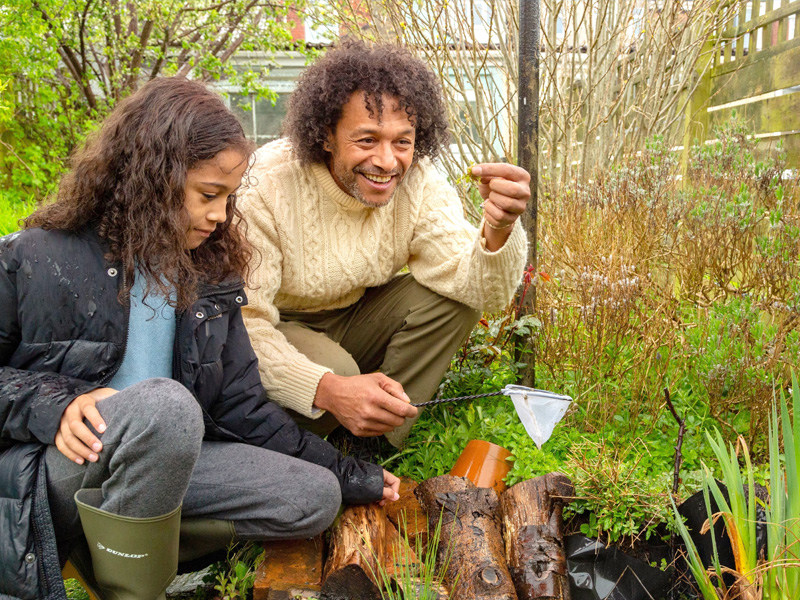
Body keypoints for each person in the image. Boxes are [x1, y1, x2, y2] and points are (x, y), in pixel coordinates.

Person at [0, 77, 398, 600]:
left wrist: (350, 474)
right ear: (152, 179)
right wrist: (55, 406)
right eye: (208, 195)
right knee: (167, 408)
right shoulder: (34, 257)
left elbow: (242, 407)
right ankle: (131, 587)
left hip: (166, 462)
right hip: (58, 469)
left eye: (228, 198)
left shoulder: (208, 272)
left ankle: (125, 551)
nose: (220, 215)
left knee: (314, 498)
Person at [240, 41, 530, 447]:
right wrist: (326, 388)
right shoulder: (266, 186)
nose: (387, 162)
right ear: (326, 135)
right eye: (366, 140)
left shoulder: (419, 183)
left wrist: (499, 228)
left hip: (356, 314)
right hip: (281, 321)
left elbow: (484, 291)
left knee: (453, 301)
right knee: (337, 371)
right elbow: (244, 324)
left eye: (402, 142)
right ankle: (304, 443)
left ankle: (376, 442)